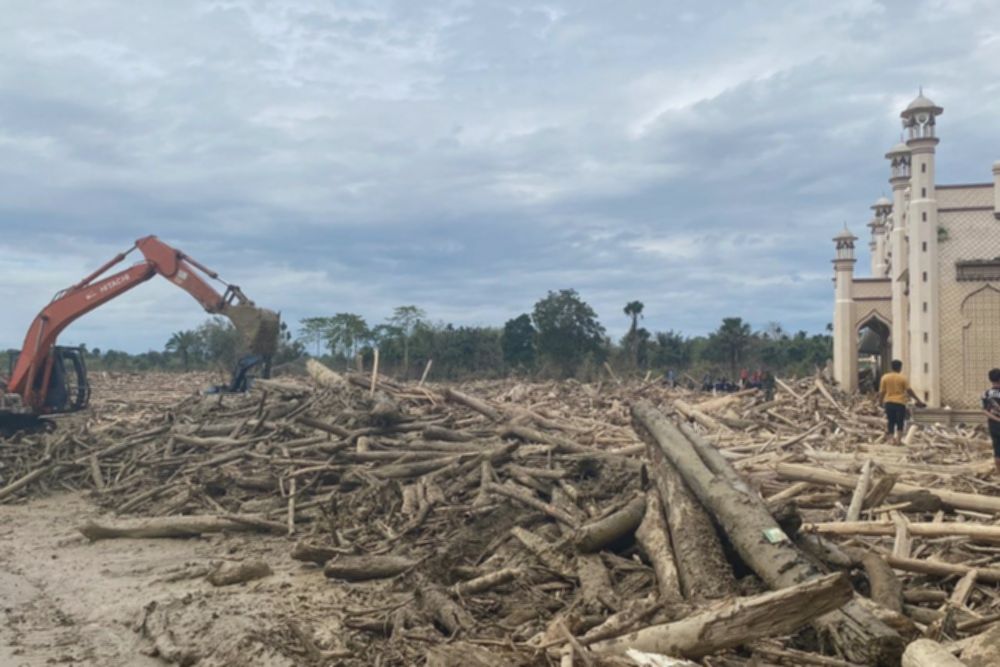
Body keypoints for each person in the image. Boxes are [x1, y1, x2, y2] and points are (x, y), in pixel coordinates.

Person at [877, 360, 925, 444]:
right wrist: (918, 400)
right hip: (900, 403)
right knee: (900, 421)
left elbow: (882, 391)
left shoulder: (885, 377)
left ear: (891, 367)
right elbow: (909, 391)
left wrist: (880, 402)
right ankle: (898, 440)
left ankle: (891, 440)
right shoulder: (902, 378)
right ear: (900, 368)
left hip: (888, 402)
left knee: (891, 421)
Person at [982, 368, 1000, 476]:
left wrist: (997, 419)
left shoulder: (986, 394)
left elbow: (985, 411)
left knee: (997, 450)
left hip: (993, 425)